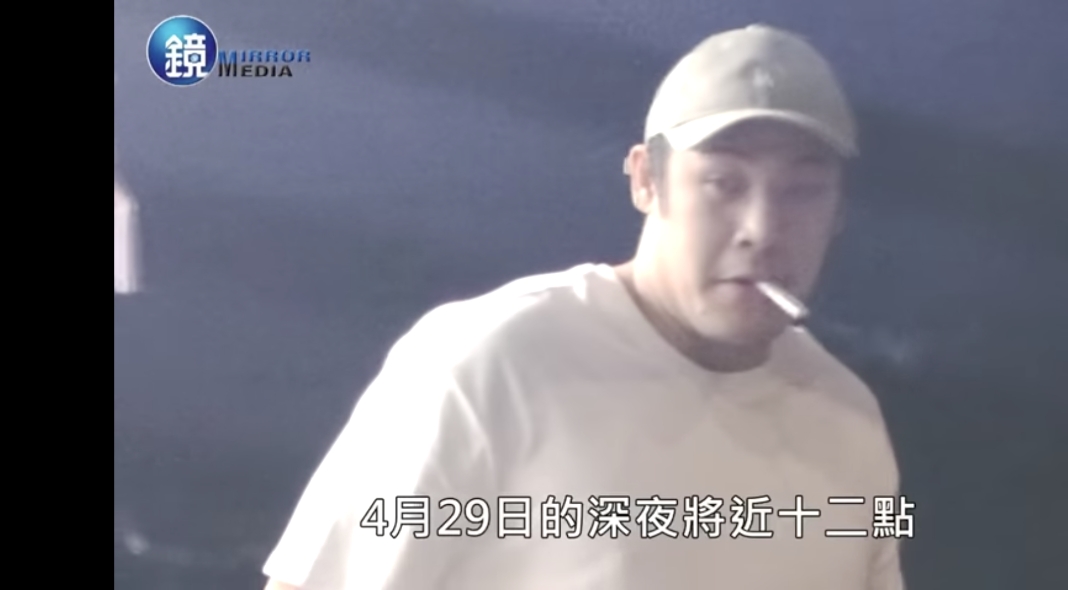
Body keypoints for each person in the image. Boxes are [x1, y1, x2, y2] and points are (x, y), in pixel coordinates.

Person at [263, 23, 904, 590]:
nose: (762, 229)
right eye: (723, 183)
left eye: (802, 191)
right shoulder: (488, 364)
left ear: (838, 213)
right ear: (645, 180)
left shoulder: (847, 420)